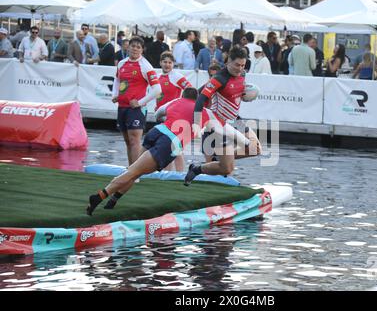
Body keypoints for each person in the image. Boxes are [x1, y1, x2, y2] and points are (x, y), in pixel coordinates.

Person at [86, 87, 210, 216]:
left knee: (134, 171)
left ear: (183, 95)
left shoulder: (175, 101)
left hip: (157, 131)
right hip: (170, 143)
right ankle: (99, 196)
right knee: (134, 172)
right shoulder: (203, 112)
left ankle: (113, 200)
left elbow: (158, 115)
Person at [184, 47, 262, 186]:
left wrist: (244, 96)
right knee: (227, 168)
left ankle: (218, 158)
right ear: (228, 62)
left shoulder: (242, 74)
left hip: (236, 120)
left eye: (243, 65)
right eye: (237, 65)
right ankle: (197, 169)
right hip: (220, 123)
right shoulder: (219, 79)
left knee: (255, 149)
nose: (240, 69)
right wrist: (197, 122)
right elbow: (200, 98)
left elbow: (236, 92)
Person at [112, 36, 162, 170]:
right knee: (128, 141)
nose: (135, 49)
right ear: (128, 47)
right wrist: (115, 94)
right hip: (122, 107)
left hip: (136, 110)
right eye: (132, 46)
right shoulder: (122, 63)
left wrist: (140, 102)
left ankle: (135, 173)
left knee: (135, 141)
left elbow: (157, 89)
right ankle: (131, 170)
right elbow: (117, 80)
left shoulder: (146, 66)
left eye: (138, 47)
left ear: (142, 50)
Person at [156, 51, 193, 172]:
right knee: (167, 147)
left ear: (173, 64)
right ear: (160, 63)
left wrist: (180, 105)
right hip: (162, 117)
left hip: (174, 117)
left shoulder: (176, 76)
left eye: (170, 62)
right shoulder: (158, 76)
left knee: (176, 147)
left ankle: (180, 174)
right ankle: (168, 174)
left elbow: (190, 89)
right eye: (165, 62)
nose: (167, 65)